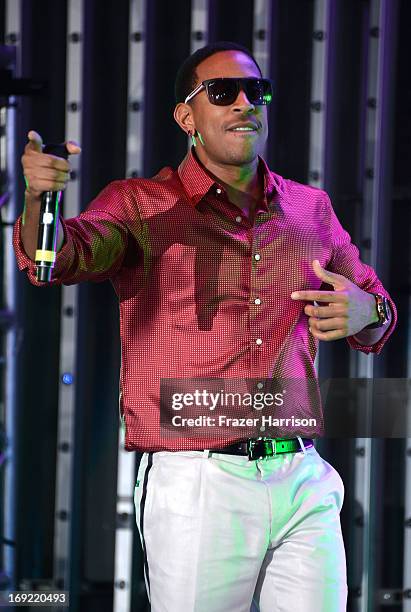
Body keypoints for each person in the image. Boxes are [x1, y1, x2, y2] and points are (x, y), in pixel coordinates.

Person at [14, 41, 397, 612]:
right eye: (224, 92)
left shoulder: (308, 208)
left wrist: (371, 313)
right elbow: (56, 259)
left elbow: (375, 306)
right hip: (200, 480)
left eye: (256, 91)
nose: (246, 103)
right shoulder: (142, 205)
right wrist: (41, 203)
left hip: (301, 472)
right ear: (186, 117)